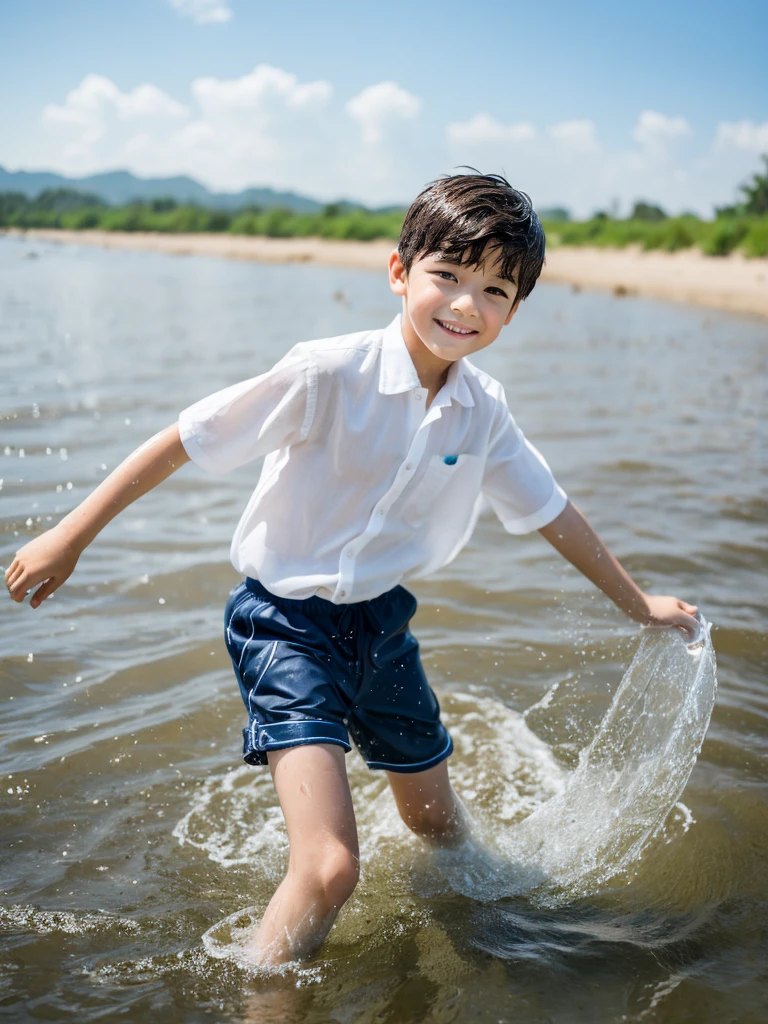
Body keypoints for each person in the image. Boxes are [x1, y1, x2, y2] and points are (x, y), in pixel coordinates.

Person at [4, 171, 699, 968]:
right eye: (448, 276)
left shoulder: (483, 410)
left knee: (441, 827)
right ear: (401, 272)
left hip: (382, 624)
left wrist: (639, 602)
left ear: (516, 307)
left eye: (495, 289)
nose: (467, 305)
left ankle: (481, 941)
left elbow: (552, 512)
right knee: (331, 869)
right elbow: (187, 437)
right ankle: (265, 994)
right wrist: (71, 534)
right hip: (283, 626)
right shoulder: (327, 372)